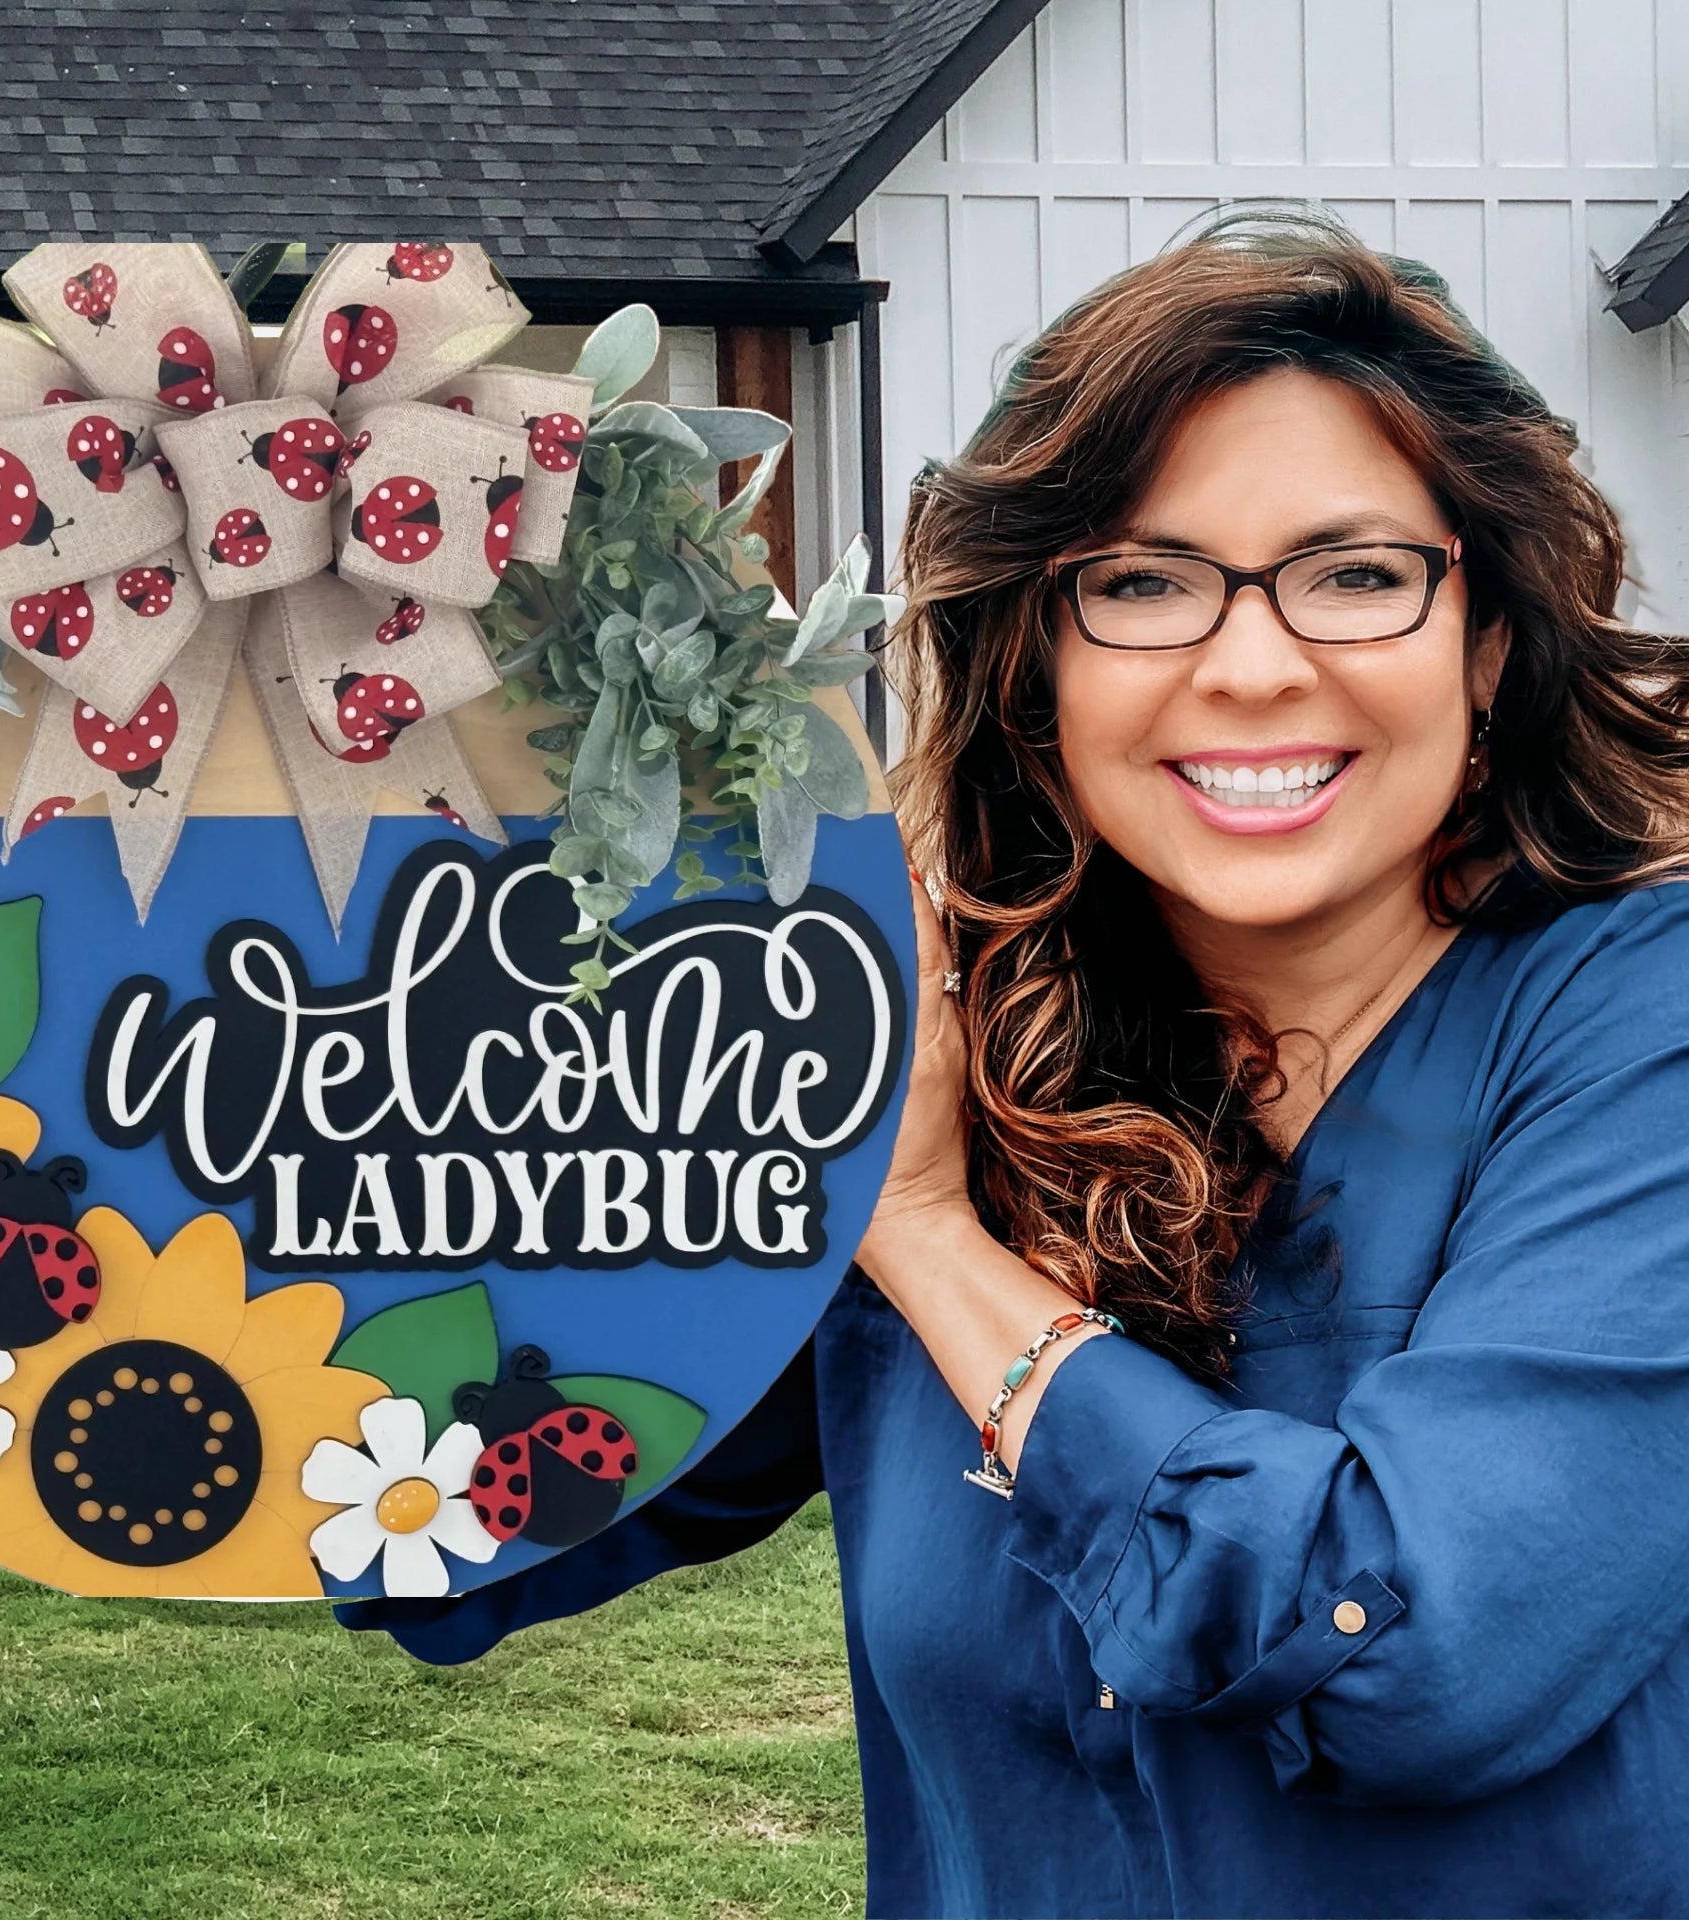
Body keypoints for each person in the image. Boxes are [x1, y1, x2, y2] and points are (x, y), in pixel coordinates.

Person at [344, 213, 1689, 1918]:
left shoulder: (1641, 1030)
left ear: (1485, 644)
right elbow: (484, 1498)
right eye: (1141, 582)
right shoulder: (948, 1043)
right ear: (1035, 664)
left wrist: (919, 1234)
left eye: (1357, 574)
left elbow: (1412, 1652)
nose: (1255, 662)